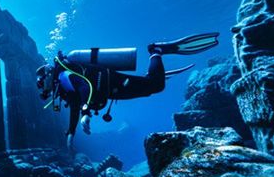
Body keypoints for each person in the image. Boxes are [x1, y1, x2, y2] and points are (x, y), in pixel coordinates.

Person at [36, 32, 220, 148]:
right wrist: (71, 132)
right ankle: (153, 73)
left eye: (40, 82)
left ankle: (156, 51)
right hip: (111, 89)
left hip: (111, 83)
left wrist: (86, 112)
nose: (42, 87)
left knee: (156, 86)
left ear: (47, 75)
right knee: (151, 87)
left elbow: (85, 86)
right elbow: (75, 105)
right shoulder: (62, 87)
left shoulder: (63, 76)